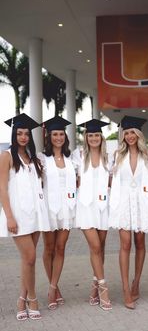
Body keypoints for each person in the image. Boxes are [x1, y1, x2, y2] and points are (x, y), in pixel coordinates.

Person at [0, 113, 50, 321]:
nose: (23, 137)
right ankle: (33, 298)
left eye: (26, 134)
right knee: (29, 257)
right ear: (14, 134)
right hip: (18, 216)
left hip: (36, 214)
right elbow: (2, 188)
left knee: (27, 261)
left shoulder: (34, 158)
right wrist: (9, 217)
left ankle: (21, 299)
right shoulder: (7, 156)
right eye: (19, 133)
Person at [109, 115, 148, 309]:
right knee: (125, 244)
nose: (129, 136)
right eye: (126, 133)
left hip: (141, 202)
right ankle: (126, 289)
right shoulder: (118, 155)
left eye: (132, 132)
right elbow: (115, 183)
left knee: (140, 243)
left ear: (139, 134)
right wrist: (115, 208)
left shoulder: (147, 155)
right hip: (124, 203)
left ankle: (136, 283)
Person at [72, 119, 112, 311]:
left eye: (97, 135)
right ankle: (104, 288)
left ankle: (95, 284)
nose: (94, 138)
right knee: (95, 246)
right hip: (86, 208)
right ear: (86, 138)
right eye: (90, 135)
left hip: (104, 207)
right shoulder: (78, 156)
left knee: (101, 248)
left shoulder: (109, 158)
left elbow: (113, 181)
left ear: (101, 137)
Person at [38, 116, 76, 310]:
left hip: (67, 208)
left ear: (65, 136)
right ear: (49, 136)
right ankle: (55, 287)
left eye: (61, 134)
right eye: (55, 134)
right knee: (49, 248)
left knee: (61, 248)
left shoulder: (72, 159)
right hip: (49, 208)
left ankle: (53, 288)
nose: (58, 137)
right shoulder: (42, 158)